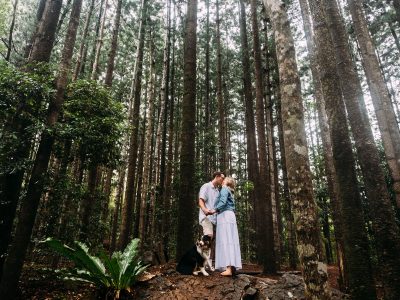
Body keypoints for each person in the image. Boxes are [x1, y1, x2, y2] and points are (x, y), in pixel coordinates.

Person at [214, 177, 242, 276]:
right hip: (228, 215)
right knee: (230, 239)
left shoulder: (225, 189)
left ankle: (229, 268)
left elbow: (223, 202)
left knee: (226, 239)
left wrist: (215, 210)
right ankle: (231, 267)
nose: (222, 180)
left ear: (227, 182)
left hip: (225, 215)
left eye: (224, 179)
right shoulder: (229, 190)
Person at [198, 171, 225, 239]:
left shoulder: (218, 191)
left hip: (215, 221)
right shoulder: (206, 186)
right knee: (208, 237)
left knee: (210, 244)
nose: (223, 180)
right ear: (217, 177)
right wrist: (205, 210)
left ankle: (198, 248)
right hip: (206, 218)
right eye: (222, 178)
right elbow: (201, 200)